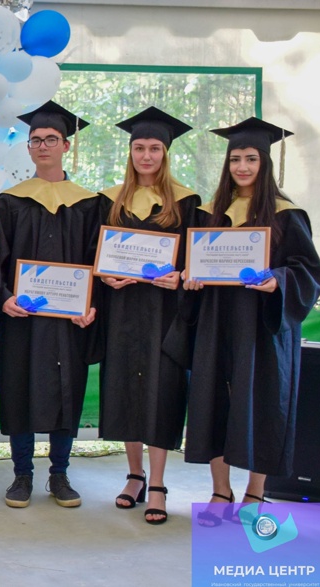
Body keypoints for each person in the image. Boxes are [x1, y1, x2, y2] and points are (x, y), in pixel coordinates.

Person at [176, 118, 320, 523]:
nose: (242, 167)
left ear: (265, 163)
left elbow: (309, 271)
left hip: (262, 326)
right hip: (215, 321)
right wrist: (190, 278)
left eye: (251, 159)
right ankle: (219, 491)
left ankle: (255, 493)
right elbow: (191, 263)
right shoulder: (210, 213)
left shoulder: (286, 214)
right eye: (235, 159)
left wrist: (278, 280)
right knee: (213, 401)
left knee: (262, 402)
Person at [95, 107, 200, 525]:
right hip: (122, 311)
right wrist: (104, 275)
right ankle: (134, 475)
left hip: (163, 313)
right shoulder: (110, 200)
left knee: (161, 393)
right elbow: (94, 256)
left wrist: (180, 276)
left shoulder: (187, 202)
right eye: (139, 147)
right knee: (125, 390)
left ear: (166, 153)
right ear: (130, 152)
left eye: (154, 148)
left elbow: (196, 261)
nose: (146, 156)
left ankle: (157, 483)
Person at [0, 100, 100, 509]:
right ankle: (22, 474)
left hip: (69, 320)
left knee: (66, 389)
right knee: (19, 387)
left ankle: (59, 474)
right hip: (23, 317)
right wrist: (4, 299)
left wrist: (91, 305)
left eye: (51, 139)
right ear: (28, 148)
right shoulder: (11, 201)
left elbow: (96, 261)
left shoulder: (89, 203)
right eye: (35, 140)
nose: (42, 146)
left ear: (66, 146)